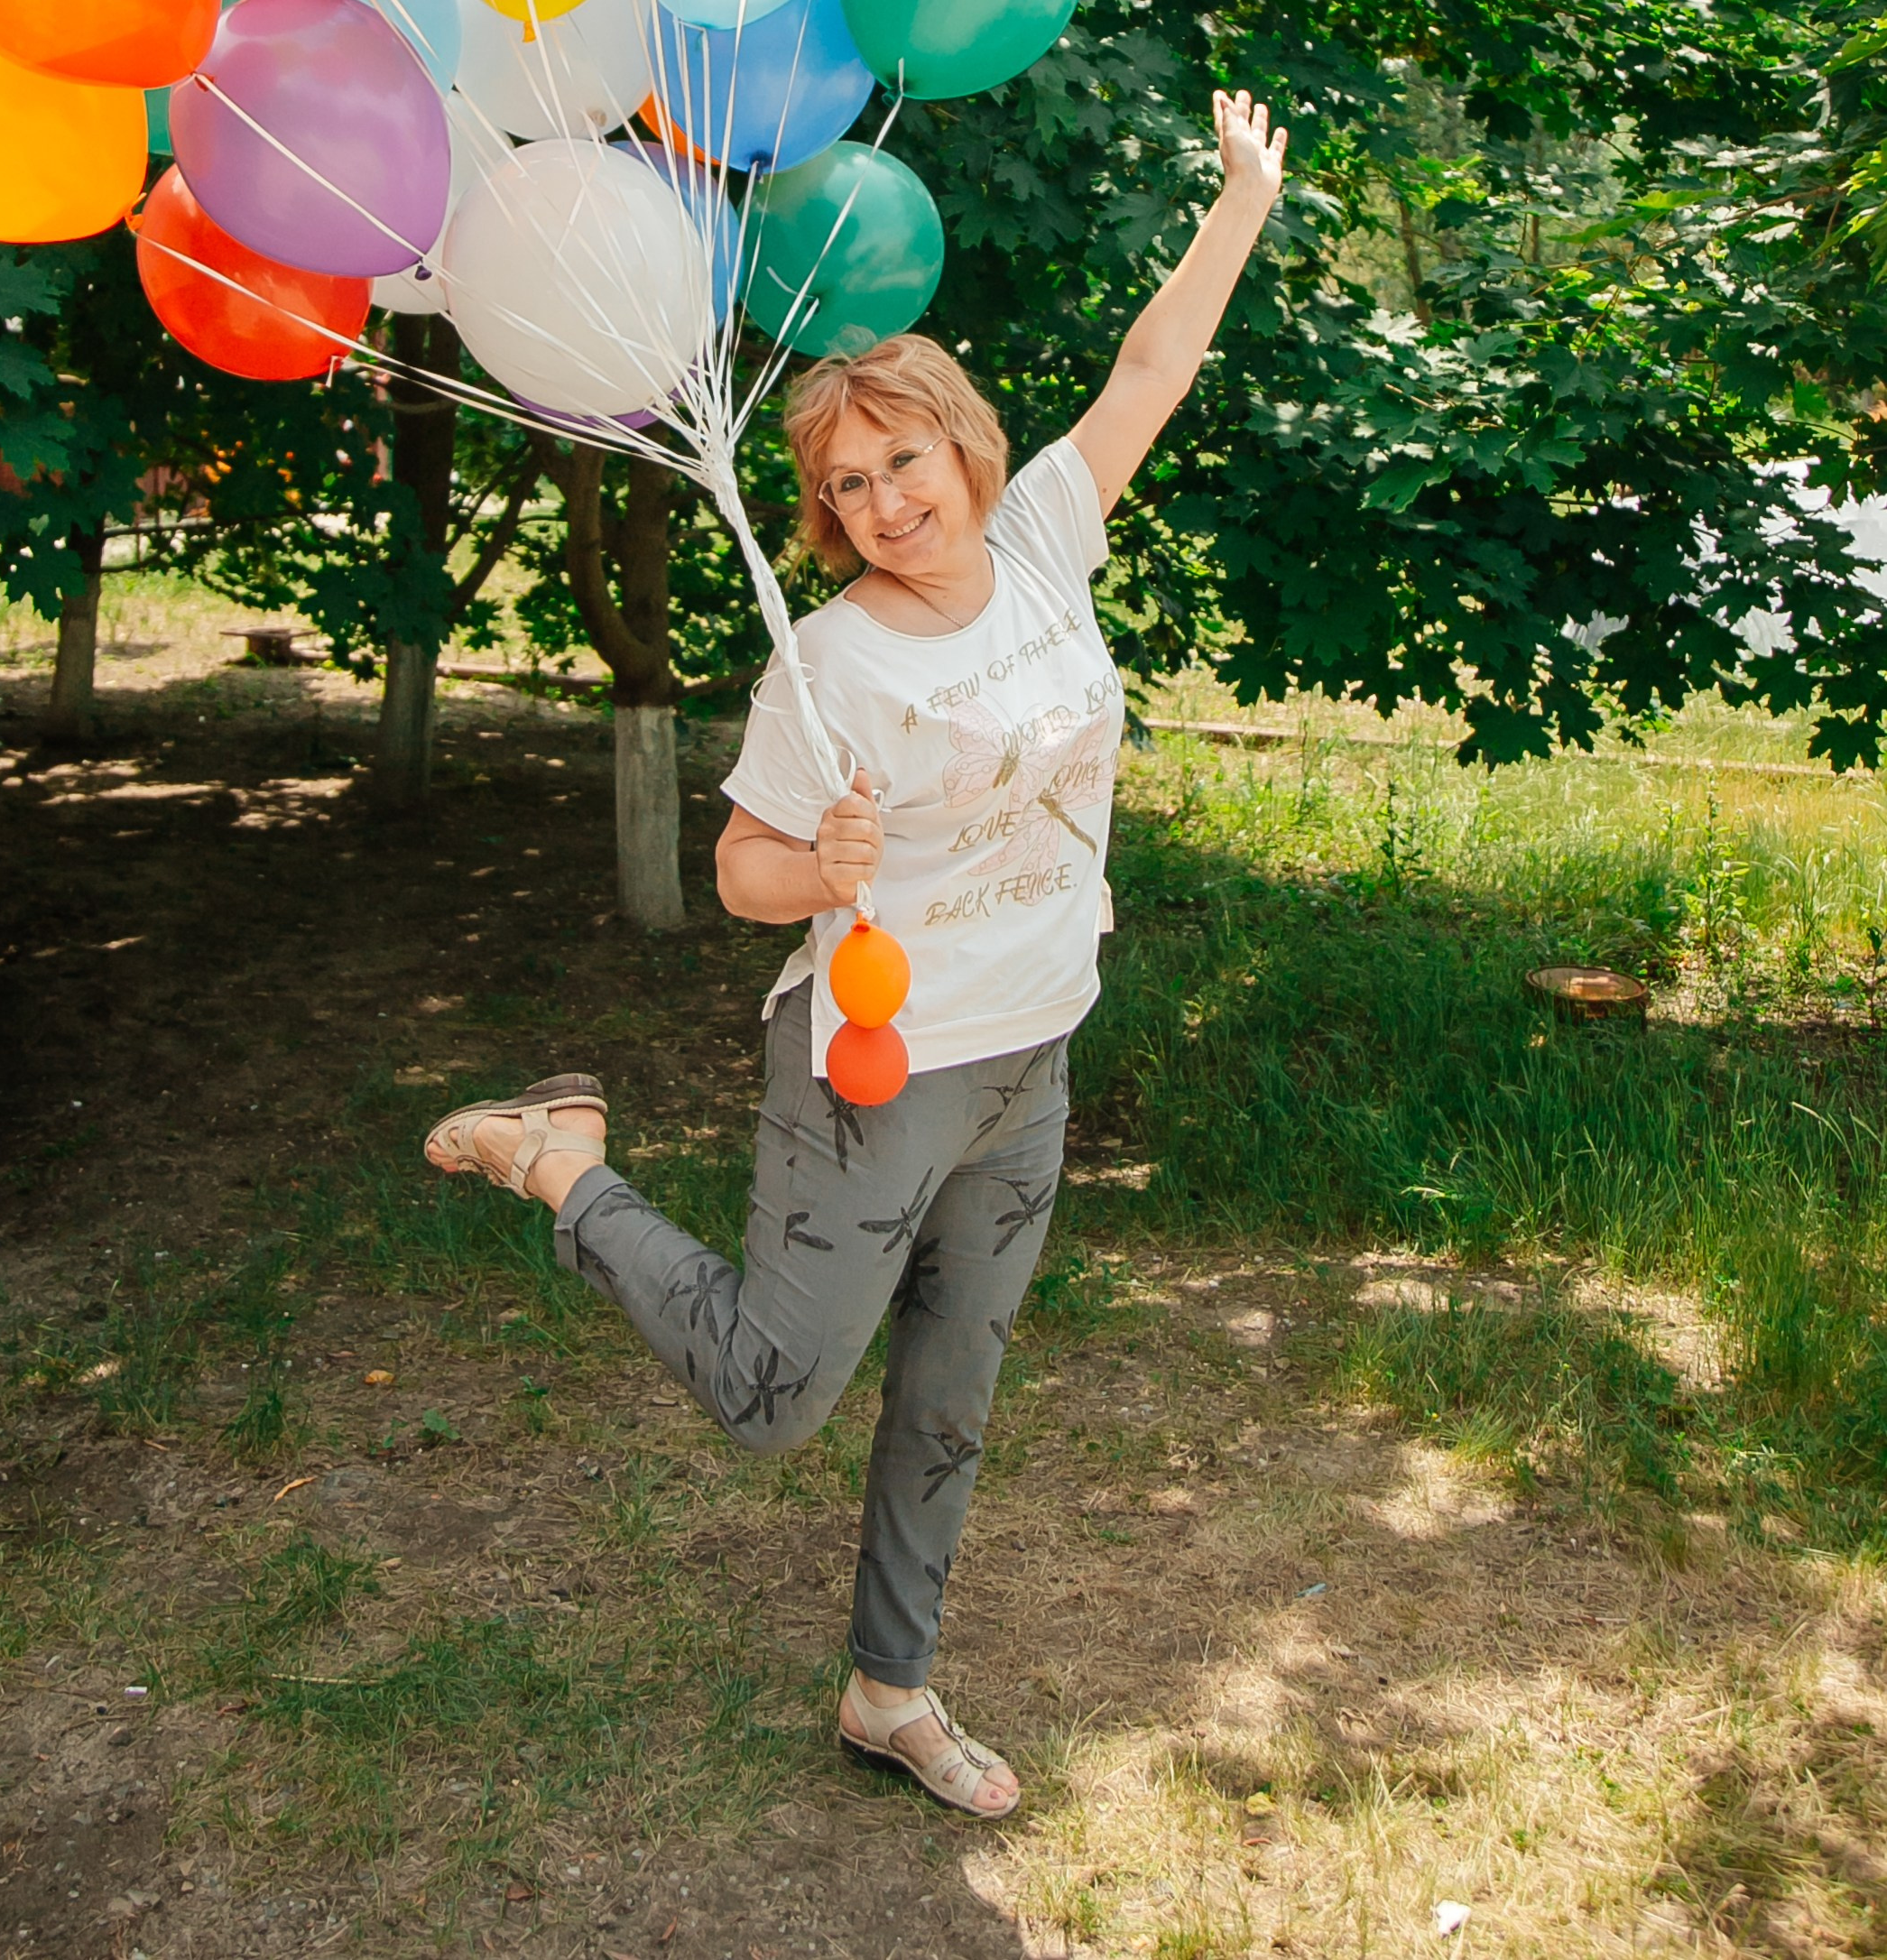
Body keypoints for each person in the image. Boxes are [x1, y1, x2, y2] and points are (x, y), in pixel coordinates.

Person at [425, 89, 1288, 1816]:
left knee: (950, 1397)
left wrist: (1240, 208)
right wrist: (810, 865)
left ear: (962, 450)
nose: (885, 497)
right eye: (846, 482)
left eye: (903, 459)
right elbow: (735, 871)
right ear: (822, 513)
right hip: (869, 1075)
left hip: (1031, 1053)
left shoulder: (1043, 540)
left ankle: (890, 1690)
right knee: (765, 1398)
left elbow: (1144, 376)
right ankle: (563, 1165)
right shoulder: (825, 666)